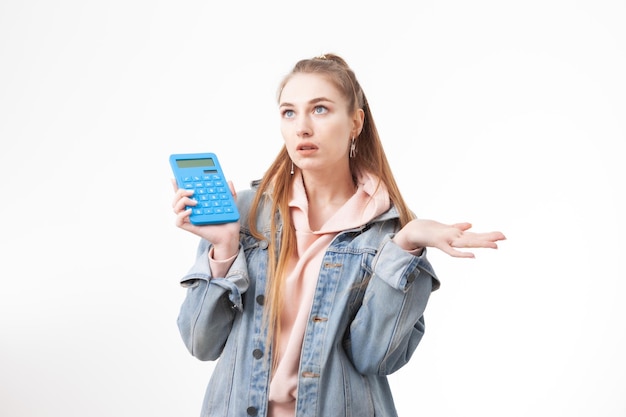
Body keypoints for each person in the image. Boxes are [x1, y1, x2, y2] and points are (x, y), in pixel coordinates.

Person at [171, 53, 506, 417]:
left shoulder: (387, 233)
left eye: (319, 110)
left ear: (356, 122)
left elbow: (375, 357)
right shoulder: (245, 215)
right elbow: (200, 343)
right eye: (289, 112)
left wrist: (406, 246)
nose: (301, 128)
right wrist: (223, 248)